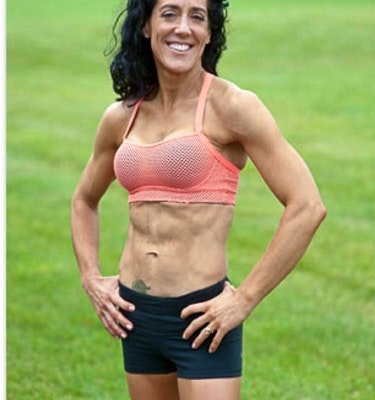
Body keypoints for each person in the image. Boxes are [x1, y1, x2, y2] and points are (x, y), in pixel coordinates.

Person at [71, 0, 327, 399]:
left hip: (203, 319)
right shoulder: (122, 116)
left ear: (209, 33)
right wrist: (90, 278)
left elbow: (307, 206)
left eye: (197, 16)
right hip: (136, 317)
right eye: (169, 13)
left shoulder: (232, 106)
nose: (183, 28)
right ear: (146, 26)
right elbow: (84, 200)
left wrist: (244, 300)